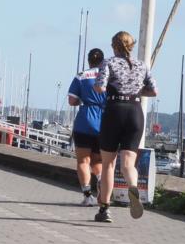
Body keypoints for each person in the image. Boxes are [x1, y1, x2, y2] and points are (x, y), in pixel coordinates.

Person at [93, 31, 158, 223]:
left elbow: (100, 87)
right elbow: (154, 91)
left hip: (115, 111)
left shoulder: (109, 62)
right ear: (131, 45)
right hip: (135, 112)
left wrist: (106, 88)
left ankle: (104, 209)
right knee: (129, 163)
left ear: (114, 46)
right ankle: (133, 187)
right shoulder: (142, 65)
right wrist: (135, 90)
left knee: (108, 164)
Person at [67, 48, 106, 206]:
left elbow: (71, 100)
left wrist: (82, 100)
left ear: (89, 61)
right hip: (104, 123)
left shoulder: (81, 76)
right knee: (98, 161)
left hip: (85, 121)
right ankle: (101, 182)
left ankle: (88, 196)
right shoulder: (109, 77)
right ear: (103, 62)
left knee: (83, 161)